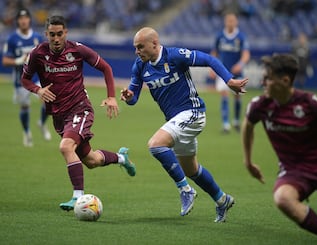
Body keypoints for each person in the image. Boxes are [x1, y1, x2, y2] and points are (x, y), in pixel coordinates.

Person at [121, 27, 247, 222]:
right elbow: (133, 97)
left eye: (140, 47)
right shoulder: (139, 66)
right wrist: (128, 97)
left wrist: (228, 79)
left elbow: (209, 60)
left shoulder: (175, 55)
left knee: (156, 145)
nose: (137, 51)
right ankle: (222, 200)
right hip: (176, 121)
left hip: (193, 113)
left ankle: (185, 190)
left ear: (154, 44)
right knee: (190, 169)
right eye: (135, 47)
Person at [242, 54, 317, 244]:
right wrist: (248, 162)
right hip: (293, 170)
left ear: (285, 80)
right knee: (283, 198)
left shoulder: (309, 102)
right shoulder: (259, 105)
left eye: (268, 78)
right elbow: (248, 127)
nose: (263, 82)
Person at [21, 15, 136, 211]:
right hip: (58, 115)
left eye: (59, 34)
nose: (56, 39)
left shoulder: (78, 49)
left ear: (65, 33)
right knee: (91, 160)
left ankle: (78, 198)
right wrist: (38, 90)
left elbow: (106, 68)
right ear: (46, 34)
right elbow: (25, 79)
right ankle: (122, 158)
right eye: (52, 35)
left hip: (79, 108)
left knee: (66, 147)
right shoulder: (37, 54)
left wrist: (111, 96)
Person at [2, 8, 51, 147]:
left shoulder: (36, 37)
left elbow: (45, 54)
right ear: (18, 21)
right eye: (21, 19)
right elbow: (5, 61)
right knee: (25, 107)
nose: (23, 21)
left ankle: (41, 123)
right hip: (21, 79)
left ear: (29, 20)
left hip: (37, 77)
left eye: (26, 18)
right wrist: (19, 60)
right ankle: (27, 132)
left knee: (48, 100)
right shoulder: (12, 39)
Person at [211, 12, 250, 133]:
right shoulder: (220, 36)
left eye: (232, 20)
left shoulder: (241, 37)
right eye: (228, 20)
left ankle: (237, 121)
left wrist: (240, 64)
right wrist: (212, 67)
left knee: (237, 97)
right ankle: (226, 124)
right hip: (223, 71)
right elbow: (214, 52)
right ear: (225, 22)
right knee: (224, 95)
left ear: (236, 22)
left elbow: (246, 54)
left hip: (237, 73)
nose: (230, 23)